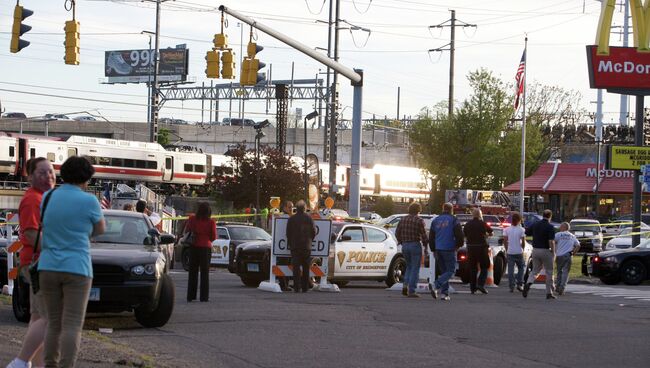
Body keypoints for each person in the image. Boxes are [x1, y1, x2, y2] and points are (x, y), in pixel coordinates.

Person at [38, 156, 105, 368]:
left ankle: (50, 365)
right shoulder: (89, 201)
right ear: (86, 178)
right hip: (77, 267)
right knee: (72, 324)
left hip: (48, 266)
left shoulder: (48, 197)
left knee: (53, 322)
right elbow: (100, 229)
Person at [7, 158, 55, 368]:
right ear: (29, 176)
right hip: (39, 264)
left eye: (51, 171)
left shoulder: (43, 198)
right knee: (48, 317)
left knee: (38, 318)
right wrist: (59, 248)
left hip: (40, 263)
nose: (48, 176)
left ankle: (33, 364)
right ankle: (21, 362)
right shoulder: (32, 199)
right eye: (42, 173)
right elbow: (30, 232)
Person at [429, 202, 463, 301]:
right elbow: (459, 235)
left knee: (444, 271)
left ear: (443, 208)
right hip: (449, 248)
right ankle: (436, 285)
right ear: (451, 209)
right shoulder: (454, 220)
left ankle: (445, 293)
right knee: (450, 270)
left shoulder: (435, 220)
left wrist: (433, 249)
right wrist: (458, 245)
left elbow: (431, 237)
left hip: (438, 248)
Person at [184, 202, 216, 302]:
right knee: (204, 273)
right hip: (205, 247)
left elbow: (187, 230)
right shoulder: (211, 222)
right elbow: (213, 236)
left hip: (194, 246)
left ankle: (191, 295)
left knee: (192, 272)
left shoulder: (192, 219)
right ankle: (204, 297)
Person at [395, 202, 428, 298]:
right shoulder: (419, 220)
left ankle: (405, 285)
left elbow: (397, 233)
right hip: (415, 244)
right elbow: (423, 235)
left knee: (409, 267)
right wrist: (426, 245)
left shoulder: (403, 219)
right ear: (418, 210)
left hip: (405, 245)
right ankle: (412, 290)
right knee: (415, 268)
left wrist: (401, 241)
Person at [523, 209, 557, 299]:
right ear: (550, 216)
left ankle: (528, 283)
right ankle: (548, 293)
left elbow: (527, 232)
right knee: (549, 271)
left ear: (543, 215)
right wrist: (553, 252)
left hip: (535, 250)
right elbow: (551, 241)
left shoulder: (535, 224)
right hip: (546, 250)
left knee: (535, 270)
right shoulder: (550, 227)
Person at [286, 200, 316, 293]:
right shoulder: (309, 218)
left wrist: (291, 243)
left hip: (295, 247)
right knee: (306, 268)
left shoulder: (291, 219)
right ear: (304, 208)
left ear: (296, 208)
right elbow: (313, 232)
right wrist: (310, 241)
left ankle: (296, 287)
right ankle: (305, 288)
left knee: (296, 268)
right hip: (306, 246)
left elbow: (288, 233)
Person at [463, 208, 493, 294]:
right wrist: (486, 235)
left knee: (473, 268)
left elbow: (464, 235)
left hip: (471, 248)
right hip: (481, 247)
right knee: (485, 266)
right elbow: (491, 232)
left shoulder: (467, 224)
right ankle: (480, 284)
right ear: (480, 215)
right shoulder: (483, 223)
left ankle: (472, 288)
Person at [554, 222, 580, 296]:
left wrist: (554, 251)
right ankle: (562, 287)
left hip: (559, 255)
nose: (560, 228)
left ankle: (558, 286)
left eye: (561, 227)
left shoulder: (558, 234)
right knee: (565, 272)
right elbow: (578, 245)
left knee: (559, 271)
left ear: (563, 227)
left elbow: (553, 242)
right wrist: (573, 253)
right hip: (568, 255)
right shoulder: (572, 236)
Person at [504, 212, 526, 292]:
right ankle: (520, 284)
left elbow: (505, 241)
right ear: (519, 220)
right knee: (521, 268)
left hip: (510, 252)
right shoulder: (522, 230)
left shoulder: (506, 229)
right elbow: (523, 242)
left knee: (510, 269)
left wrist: (506, 249)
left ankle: (511, 285)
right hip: (519, 251)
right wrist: (522, 249)